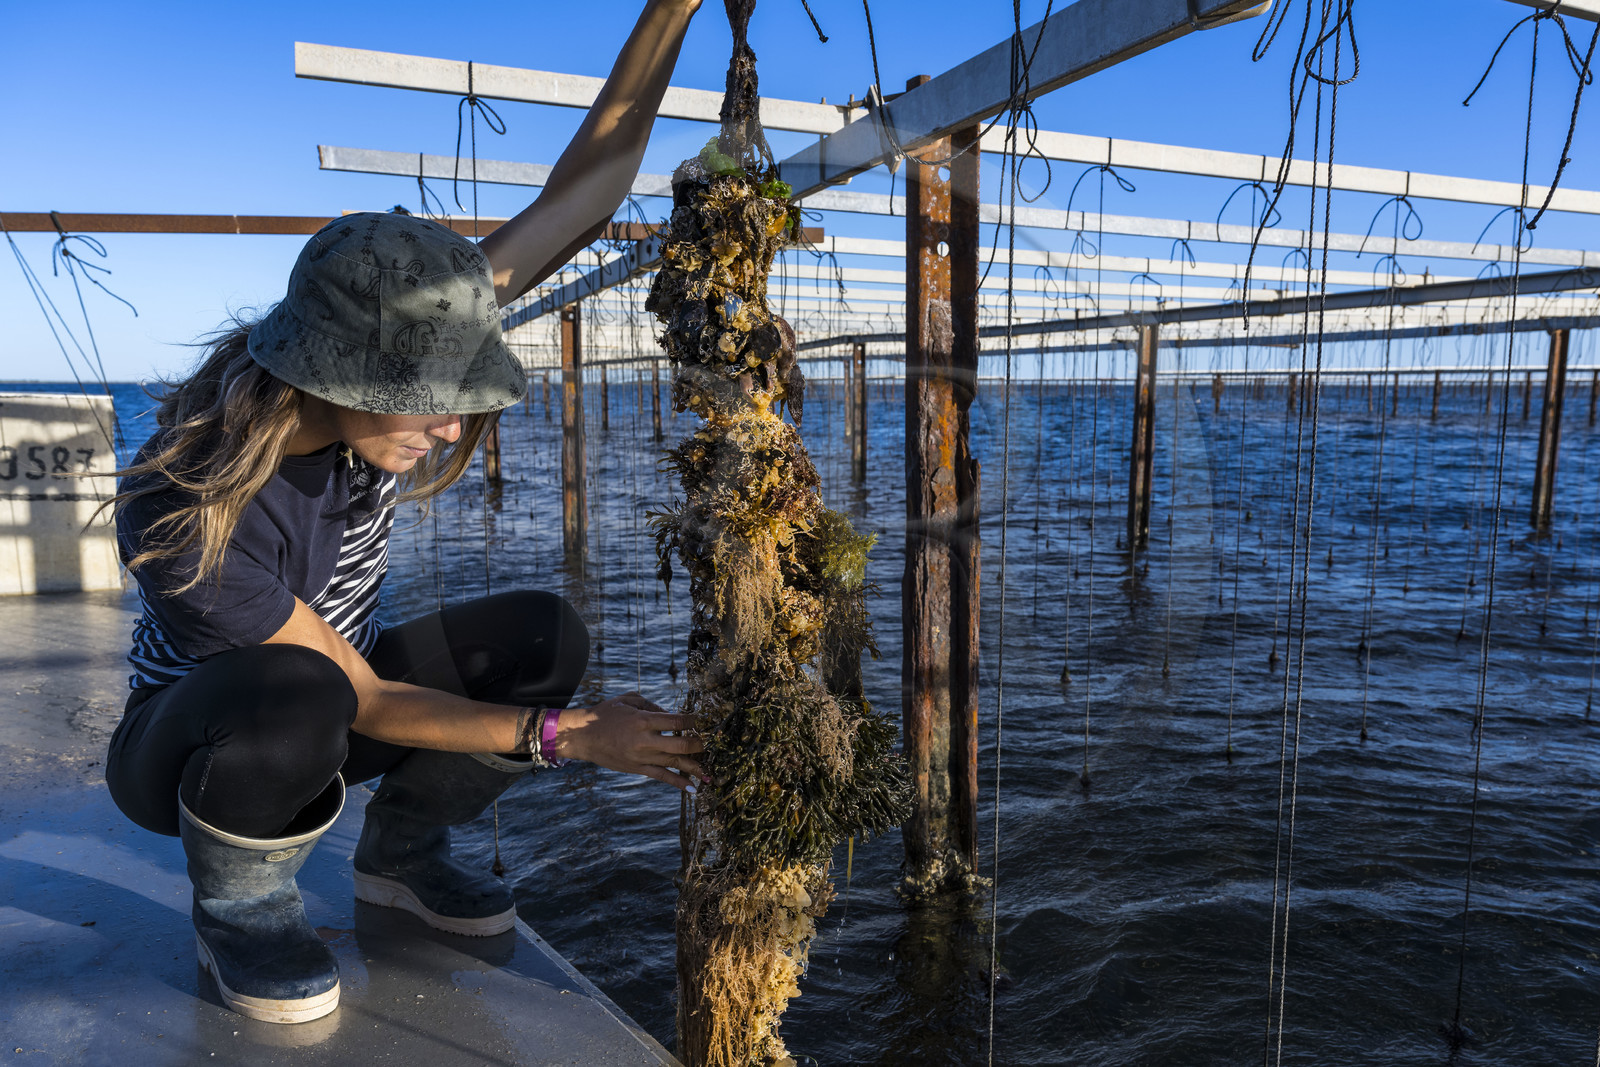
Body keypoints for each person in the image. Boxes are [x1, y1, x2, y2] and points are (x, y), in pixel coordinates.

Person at [102, 0, 705, 1025]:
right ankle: (241, 909)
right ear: (328, 373)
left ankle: (405, 857)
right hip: (205, 741)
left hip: (341, 694)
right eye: (427, 399)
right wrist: (567, 736)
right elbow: (364, 700)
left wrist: (670, 12)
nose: (447, 423)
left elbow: (588, 194)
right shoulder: (181, 497)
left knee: (539, 635)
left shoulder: (395, 347)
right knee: (301, 691)